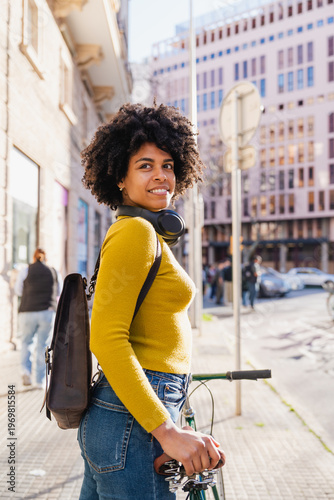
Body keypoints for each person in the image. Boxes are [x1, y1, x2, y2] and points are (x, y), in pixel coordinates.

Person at [78, 102, 226, 500]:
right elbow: (107, 339)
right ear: (120, 179)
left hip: (126, 419)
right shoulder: (136, 234)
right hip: (136, 422)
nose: (161, 175)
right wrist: (166, 429)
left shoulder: (143, 231)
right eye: (145, 165)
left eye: (167, 165)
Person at [14, 248, 62, 387]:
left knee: (26, 342)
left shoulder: (25, 270)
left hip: (27, 311)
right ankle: (40, 380)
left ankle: (25, 371)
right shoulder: (54, 271)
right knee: (43, 345)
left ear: (34, 258)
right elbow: (59, 291)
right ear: (45, 258)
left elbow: (18, 290)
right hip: (47, 312)